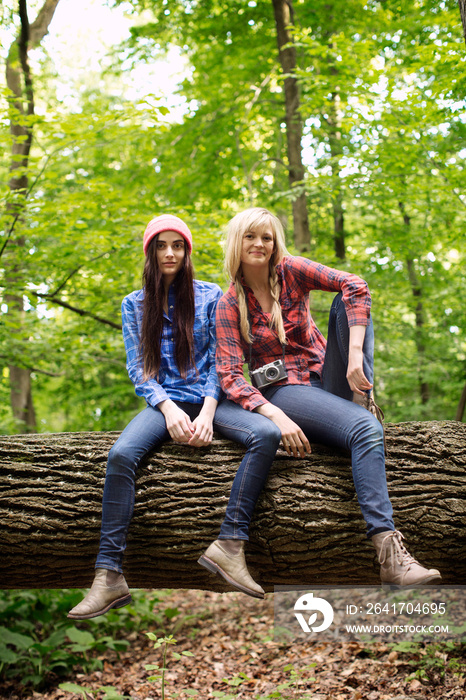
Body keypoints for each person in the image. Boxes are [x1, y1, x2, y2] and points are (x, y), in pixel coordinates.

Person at [199, 207, 441, 592]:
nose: (260, 244)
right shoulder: (229, 305)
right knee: (365, 431)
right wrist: (273, 413)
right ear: (236, 243)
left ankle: (361, 401)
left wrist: (355, 359)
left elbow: (355, 284)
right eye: (251, 237)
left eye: (267, 237)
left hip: (330, 379)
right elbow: (230, 376)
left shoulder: (292, 271)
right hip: (285, 392)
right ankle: (390, 556)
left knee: (349, 303)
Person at [68, 214, 281, 619]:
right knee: (120, 456)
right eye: (161, 245)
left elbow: (223, 359)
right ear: (150, 252)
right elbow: (140, 370)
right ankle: (109, 576)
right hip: (163, 403)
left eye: (178, 245)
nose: (170, 253)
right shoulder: (134, 304)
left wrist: (207, 412)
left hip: (211, 402)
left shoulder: (211, 294)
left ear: (187, 251)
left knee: (266, 434)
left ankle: (230, 545)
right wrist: (166, 408)